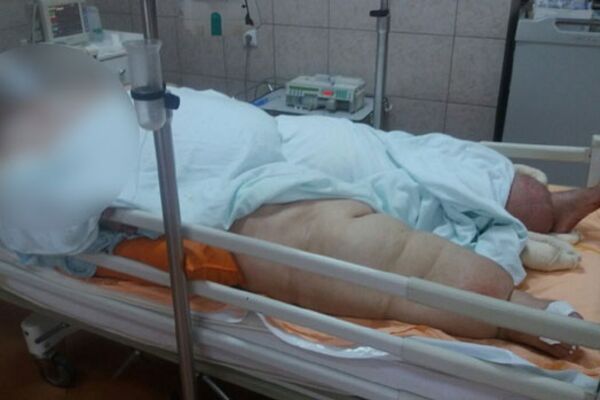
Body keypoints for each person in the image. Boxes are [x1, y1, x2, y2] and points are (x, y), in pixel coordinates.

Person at [0, 83, 595, 359]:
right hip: (241, 199)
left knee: (496, 186)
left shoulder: (104, 96)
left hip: (288, 138)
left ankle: (549, 208)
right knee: (372, 253)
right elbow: (54, 230)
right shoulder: (24, 176)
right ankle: (522, 314)